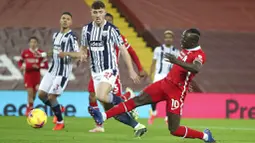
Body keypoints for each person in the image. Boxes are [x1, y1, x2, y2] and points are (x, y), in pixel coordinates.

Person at [89, 28, 216, 142]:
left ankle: (205, 136)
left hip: (176, 92)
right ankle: (103, 116)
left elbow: (196, 68)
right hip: (164, 83)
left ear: (193, 42)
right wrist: (185, 78)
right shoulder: (185, 48)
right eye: (182, 37)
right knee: (137, 100)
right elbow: (183, 70)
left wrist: (178, 66)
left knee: (174, 129)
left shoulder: (199, 55)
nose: (181, 41)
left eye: (185, 39)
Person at [80, 1, 147, 137]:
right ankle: (137, 125)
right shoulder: (86, 30)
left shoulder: (112, 30)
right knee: (112, 110)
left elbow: (124, 50)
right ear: (91, 13)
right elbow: (83, 47)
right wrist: (82, 54)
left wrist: (131, 70)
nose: (98, 15)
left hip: (109, 70)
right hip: (95, 72)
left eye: (100, 12)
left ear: (104, 12)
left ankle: (118, 105)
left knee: (99, 95)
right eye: (95, 12)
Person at [36, 12, 81, 130]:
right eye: (63, 18)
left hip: (63, 72)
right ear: (60, 20)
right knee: (41, 95)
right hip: (52, 70)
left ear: (71, 22)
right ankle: (59, 108)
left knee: (51, 96)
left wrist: (66, 53)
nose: (65, 20)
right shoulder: (56, 35)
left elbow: (78, 54)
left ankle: (60, 122)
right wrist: (44, 54)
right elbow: (55, 51)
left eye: (68, 19)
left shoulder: (72, 36)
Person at [148, 30, 179, 125]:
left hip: (169, 77)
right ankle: (154, 113)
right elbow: (153, 63)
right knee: (153, 95)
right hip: (158, 75)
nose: (168, 39)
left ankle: (167, 117)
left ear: (172, 39)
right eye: (166, 37)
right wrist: (150, 76)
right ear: (164, 39)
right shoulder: (158, 49)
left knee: (169, 97)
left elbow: (178, 66)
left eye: (170, 37)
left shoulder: (176, 52)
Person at [18, 37, 48, 116]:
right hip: (28, 75)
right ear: (29, 43)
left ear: (37, 43)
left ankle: (29, 106)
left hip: (36, 76)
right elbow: (20, 62)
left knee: (34, 95)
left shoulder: (40, 53)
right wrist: (22, 66)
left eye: (34, 42)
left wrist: (39, 67)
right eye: (31, 42)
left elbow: (46, 64)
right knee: (30, 92)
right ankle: (29, 110)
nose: (33, 44)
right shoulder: (25, 53)